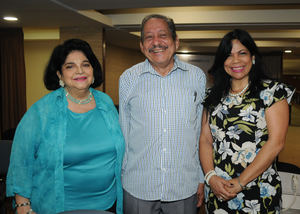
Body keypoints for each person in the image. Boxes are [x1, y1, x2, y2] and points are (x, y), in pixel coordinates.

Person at [6, 39, 125, 214]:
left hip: (109, 205)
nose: (80, 70)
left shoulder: (105, 103)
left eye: (86, 64)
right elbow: (21, 161)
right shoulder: (42, 111)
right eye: (70, 66)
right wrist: (23, 205)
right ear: (59, 75)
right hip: (58, 207)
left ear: (93, 70)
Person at [199, 29, 295, 213]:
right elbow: (205, 140)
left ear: (253, 57)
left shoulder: (272, 92)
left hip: (258, 192)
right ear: (222, 63)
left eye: (242, 53)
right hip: (219, 190)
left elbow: (276, 143)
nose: (235, 61)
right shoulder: (213, 96)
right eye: (228, 55)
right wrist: (211, 177)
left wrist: (241, 182)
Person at [119, 14, 206, 214]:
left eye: (162, 35)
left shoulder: (197, 77)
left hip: (184, 186)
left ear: (176, 41)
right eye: (149, 37)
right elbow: (124, 132)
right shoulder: (128, 79)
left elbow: (200, 133)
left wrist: (201, 178)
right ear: (142, 46)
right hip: (138, 186)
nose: (156, 42)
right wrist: (123, 177)